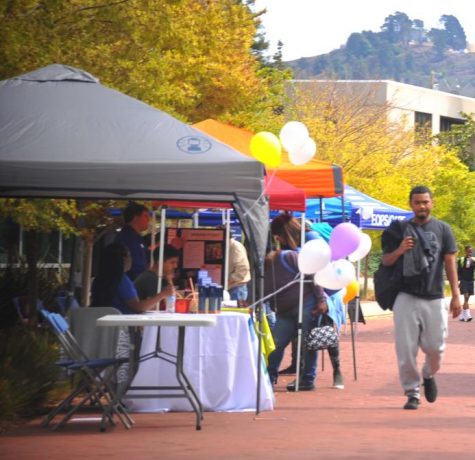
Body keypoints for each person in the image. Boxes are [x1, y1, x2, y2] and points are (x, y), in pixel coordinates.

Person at [381, 185, 461, 410]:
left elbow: (450, 262)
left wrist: (456, 296)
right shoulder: (398, 230)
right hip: (406, 296)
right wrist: (399, 250)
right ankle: (412, 392)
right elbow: (385, 262)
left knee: (436, 347)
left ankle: (428, 374)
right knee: (406, 350)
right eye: (417, 202)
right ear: (411, 205)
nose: (421, 206)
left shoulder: (443, 229)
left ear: (431, 203)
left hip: (434, 297)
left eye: (425, 202)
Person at [90, 242, 173, 314]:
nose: (131, 258)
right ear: (123, 259)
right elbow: (137, 307)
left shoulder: (99, 279)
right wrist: (162, 294)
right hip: (121, 325)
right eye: (129, 255)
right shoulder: (121, 280)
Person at [116, 202, 151, 281]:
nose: (148, 220)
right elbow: (137, 265)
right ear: (135, 217)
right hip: (132, 282)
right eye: (145, 216)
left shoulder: (136, 237)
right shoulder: (128, 237)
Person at [228, 236, 251, 301]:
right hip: (232, 286)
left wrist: (229, 279)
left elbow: (243, 268)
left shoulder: (236, 247)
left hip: (237, 287)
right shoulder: (228, 245)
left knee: (235, 311)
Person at [457, 245, 474, 322]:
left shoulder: (473, 260)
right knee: (466, 297)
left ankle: (462, 315)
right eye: (469, 251)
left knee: (466, 299)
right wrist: (458, 281)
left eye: (471, 251)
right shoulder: (461, 260)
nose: (470, 252)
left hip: (470, 281)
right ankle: (468, 315)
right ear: (466, 251)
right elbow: (458, 271)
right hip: (463, 281)